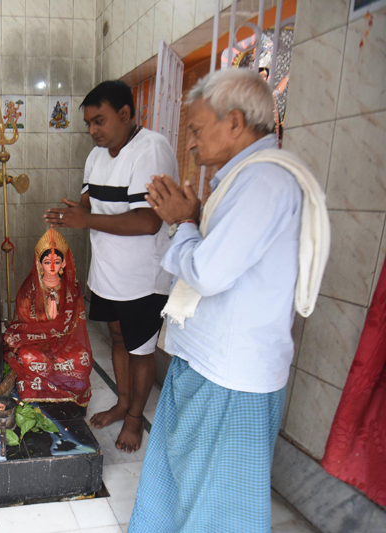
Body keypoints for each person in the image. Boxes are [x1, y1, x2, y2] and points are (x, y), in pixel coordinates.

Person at [129, 68, 329, 532]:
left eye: (197, 130)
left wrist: (183, 222)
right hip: (206, 362)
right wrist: (192, 219)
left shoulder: (265, 183)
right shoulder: (241, 179)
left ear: (235, 122)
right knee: (177, 479)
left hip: (230, 376)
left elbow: (209, 271)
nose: (192, 143)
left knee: (218, 506)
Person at [44, 80, 178, 452]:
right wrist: (72, 212)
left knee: (141, 349)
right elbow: (90, 201)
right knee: (118, 338)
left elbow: (148, 221)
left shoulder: (152, 150)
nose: (93, 131)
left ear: (124, 113)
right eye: (89, 123)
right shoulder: (97, 156)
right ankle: (122, 402)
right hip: (107, 273)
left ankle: (135, 419)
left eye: (99, 121)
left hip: (142, 277)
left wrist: (84, 220)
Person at [4, 229, 92, 406]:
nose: (52, 267)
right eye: (47, 262)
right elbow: (24, 321)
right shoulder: (30, 288)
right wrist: (45, 320)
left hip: (65, 338)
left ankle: (70, 398)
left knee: (82, 359)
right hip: (35, 339)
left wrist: (59, 326)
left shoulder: (71, 287)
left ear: (64, 263)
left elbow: (76, 321)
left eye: (57, 262)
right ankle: (36, 395)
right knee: (28, 358)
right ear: (39, 263)